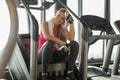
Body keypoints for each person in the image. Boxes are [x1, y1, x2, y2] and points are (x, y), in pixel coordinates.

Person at [38, 8, 79, 80]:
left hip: (54, 55)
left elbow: (71, 38)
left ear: (64, 20)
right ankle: (44, 74)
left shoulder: (61, 28)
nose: (59, 19)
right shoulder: (45, 24)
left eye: (62, 18)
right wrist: (64, 43)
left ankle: (70, 72)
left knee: (74, 44)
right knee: (50, 41)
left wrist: (71, 22)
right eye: (58, 15)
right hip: (41, 55)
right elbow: (47, 36)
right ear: (55, 14)